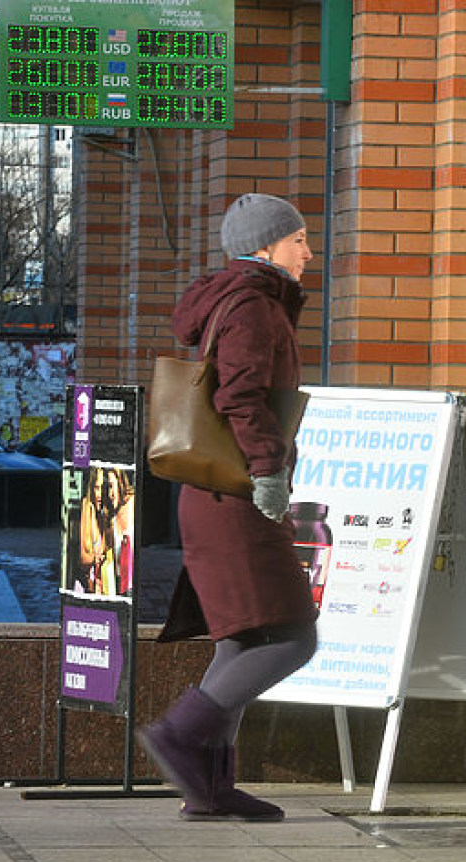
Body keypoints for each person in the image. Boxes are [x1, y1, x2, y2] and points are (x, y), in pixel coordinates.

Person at [137, 193, 318, 822]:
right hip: (237, 495)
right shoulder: (253, 306)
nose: (308, 252)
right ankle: (179, 736)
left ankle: (209, 789)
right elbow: (239, 397)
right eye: (298, 240)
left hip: (215, 494)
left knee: (242, 638)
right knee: (293, 637)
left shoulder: (243, 299)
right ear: (265, 246)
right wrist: (268, 472)